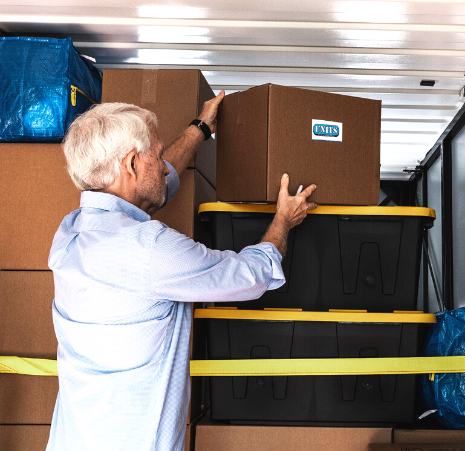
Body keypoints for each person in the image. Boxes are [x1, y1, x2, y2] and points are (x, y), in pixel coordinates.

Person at [46, 91, 317, 451]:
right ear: (129, 165)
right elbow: (251, 277)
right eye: (156, 156)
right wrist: (284, 220)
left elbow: (154, 188)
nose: (162, 165)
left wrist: (200, 128)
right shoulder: (150, 250)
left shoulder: (70, 234)